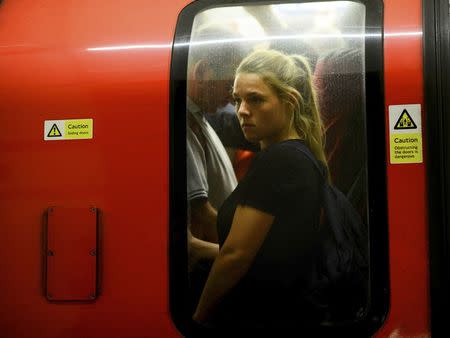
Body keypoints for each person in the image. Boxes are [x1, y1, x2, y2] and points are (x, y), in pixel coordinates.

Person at [193, 49, 330, 330]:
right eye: (237, 99)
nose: (242, 110)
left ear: (289, 101)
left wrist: (196, 319)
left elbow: (236, 255)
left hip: (266, 317)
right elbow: (268, 249)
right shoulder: (300, 156)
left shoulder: (280, 161)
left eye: (255, 99)